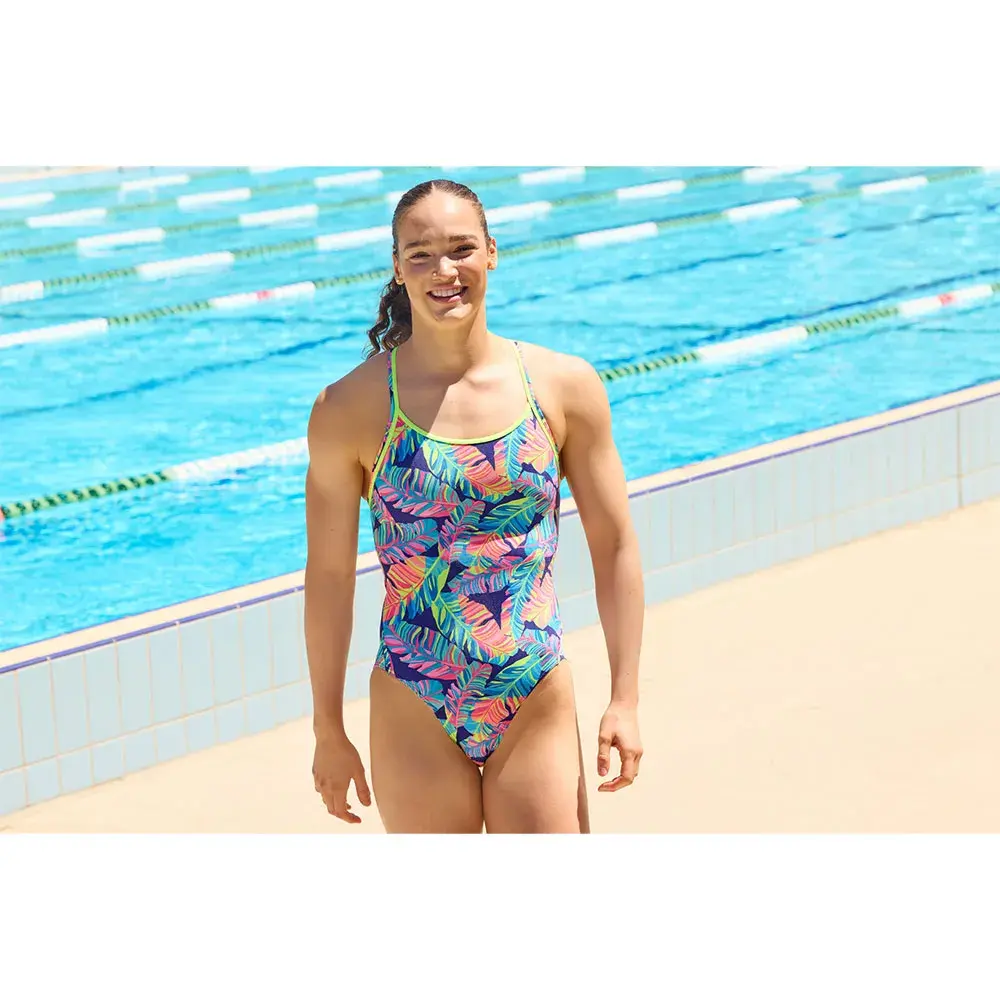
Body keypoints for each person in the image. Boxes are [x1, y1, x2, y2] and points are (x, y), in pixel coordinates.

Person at [304, 178, 644, 833]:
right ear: (397, 267)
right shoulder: (350, 408)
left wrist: (624, 697)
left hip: (530, 687)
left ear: (492, 252)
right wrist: (328, 729)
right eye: (421, 254)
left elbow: (616, 543)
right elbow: (328, 575)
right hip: (413, 696)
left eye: (461, 249)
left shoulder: (561, 386)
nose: (444, 270)